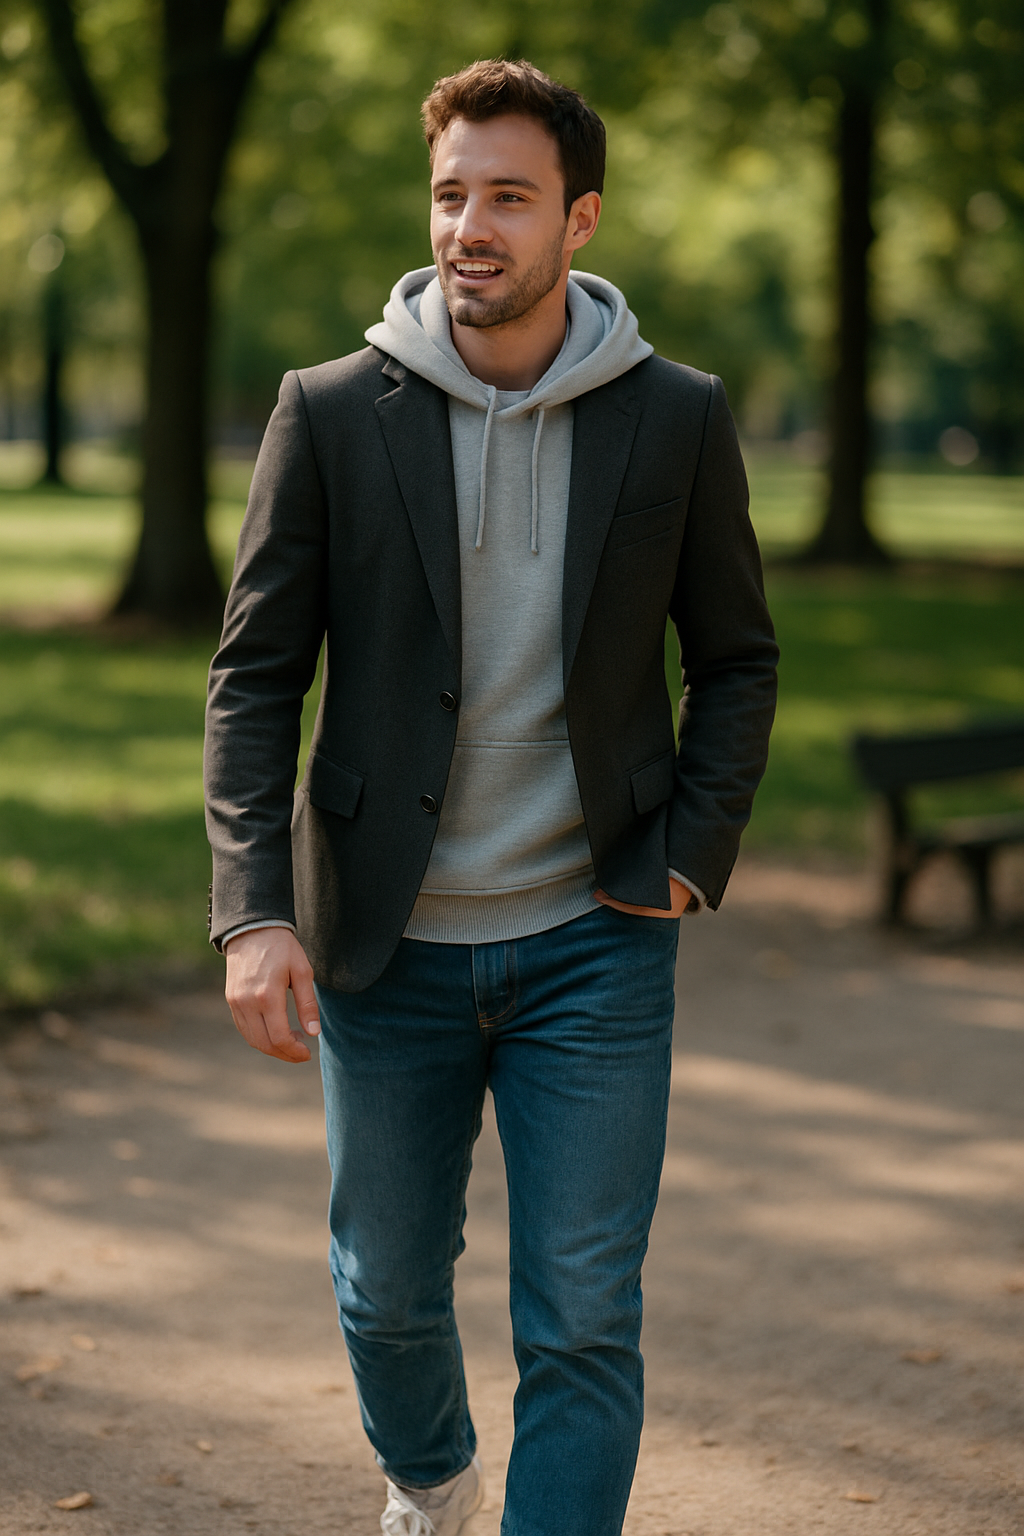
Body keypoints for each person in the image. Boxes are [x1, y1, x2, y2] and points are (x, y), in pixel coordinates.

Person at [204, 58, 777, 1536]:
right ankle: (436, 1480)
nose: (470, 225)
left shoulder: (676, 416)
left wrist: (689, 856)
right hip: (384, 945)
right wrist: (254, 911)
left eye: (508, 198)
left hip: (596, 935)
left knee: (584, 1316)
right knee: (382, 1290)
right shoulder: (329, 412)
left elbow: (737, 656)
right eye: (452, 192)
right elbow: (255, 678)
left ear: (578, 221)